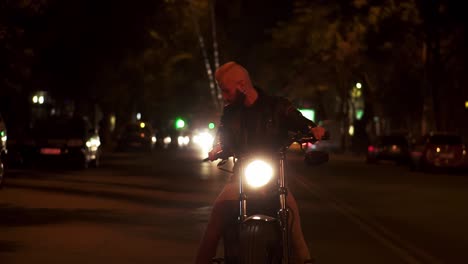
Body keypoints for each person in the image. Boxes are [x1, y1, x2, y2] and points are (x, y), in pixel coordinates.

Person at [195, 61, 325, 264]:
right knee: (215, 221)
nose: (224, 96)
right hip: (241, 176)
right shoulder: (230, 114)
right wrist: (217, 149)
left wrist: (312, 130)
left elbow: (298, 120)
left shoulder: (278, 106)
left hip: (273, 177)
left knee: (294, 230)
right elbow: (223, 137)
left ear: (242, 85)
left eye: (226, 91)